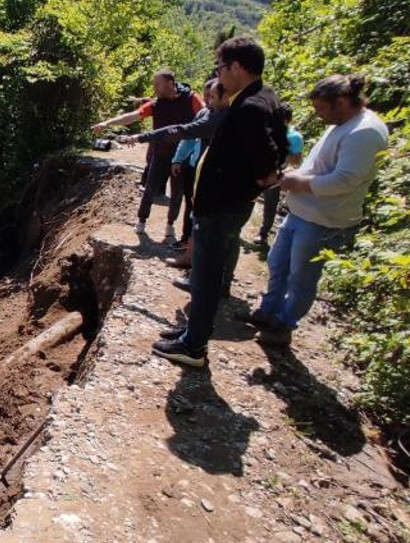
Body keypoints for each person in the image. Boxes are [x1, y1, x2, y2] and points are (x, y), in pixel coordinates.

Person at [152, 37, 287, 368]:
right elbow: (279, 147)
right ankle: (192, 333)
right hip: (224, 203)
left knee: (206, 277)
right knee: (204, 274)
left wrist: (255, 181)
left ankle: (194, 347)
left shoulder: (251, 107)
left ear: (236, 67)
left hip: (221, 206)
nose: (218, 74)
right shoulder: (264, 97)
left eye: (221, 67)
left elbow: (268, 161)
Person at [247, 74, 389, 345]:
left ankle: (284, 325)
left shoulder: (365, 132)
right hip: (302, 212)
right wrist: (288, 176)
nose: (318, 115)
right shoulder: (342, 124)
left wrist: (297, 183)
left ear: (342, 102)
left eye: (321, 108)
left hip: (324, 220)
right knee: (278, 262)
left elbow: (344, 180)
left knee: (302, 277)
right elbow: (319, 166)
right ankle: (269, 310)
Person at [125, 79, 228, 268]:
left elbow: (180, 131)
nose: (207, 101)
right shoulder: (207, 114)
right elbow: (187, 136)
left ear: (226, 98)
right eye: (207, 96)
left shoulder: (220, 118)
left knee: (202, 216)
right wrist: (178, 159)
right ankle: (190, 255)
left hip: (217, 178)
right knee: (195, 211)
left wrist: (141, 137)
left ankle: (209, 271)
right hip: (195, 167)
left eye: (212, 97)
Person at [93, 69, 203, 235]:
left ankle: (170, 224)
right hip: (161, 153)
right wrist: (106, 123)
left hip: (183, 156)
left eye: (157, 84)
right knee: (150, 189)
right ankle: (142, 220)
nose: (154, 88)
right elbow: (133, 116)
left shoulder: (192, 99)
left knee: (177, 194)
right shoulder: (156, 104)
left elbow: (206, 117)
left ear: (170, 83)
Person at [257, 106, 304, 248]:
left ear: (287, 120)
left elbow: (296, 161)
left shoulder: (295, 137)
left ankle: (263, 233)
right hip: (259, 171)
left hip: (277, 176)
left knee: (270, 205)